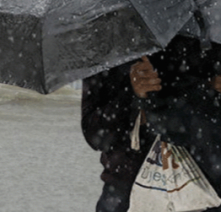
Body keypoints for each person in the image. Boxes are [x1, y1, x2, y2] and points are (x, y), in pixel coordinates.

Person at [82, 33, 221, 212]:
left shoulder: (209, 33)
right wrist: (131, 94)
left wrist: (209, 90)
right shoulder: (106, 44)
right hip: (127, 193)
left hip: (204, 193)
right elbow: (95, 135)